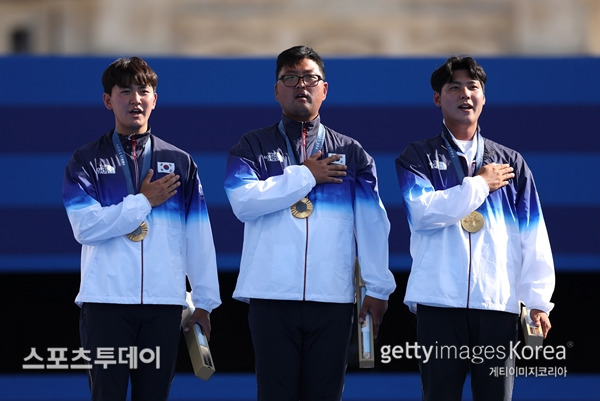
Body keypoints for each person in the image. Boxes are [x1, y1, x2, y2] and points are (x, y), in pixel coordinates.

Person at [224, 45, 396, 401]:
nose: (300, 85)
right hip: (271, 296)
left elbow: (372, 224)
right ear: (276, 90)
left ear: (324, 89)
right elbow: (244, 203)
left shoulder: (352, 153)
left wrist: (378, 288)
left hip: (332, 297)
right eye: (289, 78)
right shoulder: (251, 146)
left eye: (309, 78)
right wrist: (305, 175)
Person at [395, 55, 556, 401]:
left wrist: (537, 300)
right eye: (454, 87)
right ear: (438, 98)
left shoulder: (511, 163)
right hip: (437, 302)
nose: (465, 94)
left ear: (484, 97)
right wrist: (480, 185)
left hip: (497, 303)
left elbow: (533, 235)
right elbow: (422, 213)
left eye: (473, 87)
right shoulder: (417, 156)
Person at [62, 56, 221, 401]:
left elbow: (198, 235)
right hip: (105, 303)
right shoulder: (86, 161)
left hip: (164, 305)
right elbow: (84, 227)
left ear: (155, 99)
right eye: (125, 91)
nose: (136, 99)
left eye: (144, 91)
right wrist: (143, 202)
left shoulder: (180, 162)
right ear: (108, 100)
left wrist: (205, 301)